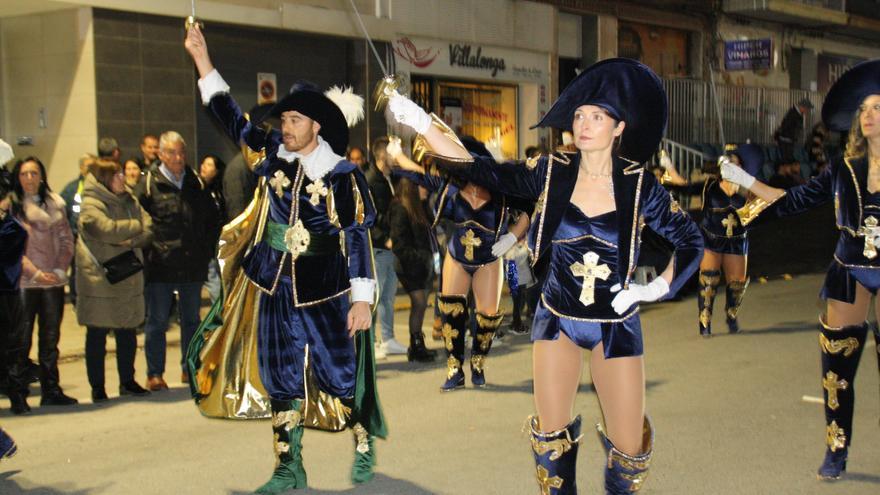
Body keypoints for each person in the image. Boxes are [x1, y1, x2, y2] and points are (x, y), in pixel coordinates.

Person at [389, 58, 703, 493]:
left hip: (616, 326)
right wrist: (423, 123)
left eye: (597, 116)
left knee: (629, 454)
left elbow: (691, 241)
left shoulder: (640, 185)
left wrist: (654, 288)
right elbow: (480, 169)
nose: (584, 124)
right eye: (579, 115)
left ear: (619, 128)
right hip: (557, 318)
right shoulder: (551, 172)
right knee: (551, 444)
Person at [185, 23, 385, 493]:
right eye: (284, 120)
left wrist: (361, 299)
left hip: (326, 289)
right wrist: (201, 59)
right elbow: (228, 114)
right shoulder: (271, 153)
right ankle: (288, 466)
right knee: (281, 376)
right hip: (273, 284)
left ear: (316, 125)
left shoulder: (342, 174)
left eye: (294, 121)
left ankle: (362, 441)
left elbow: (356, 236)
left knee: (340, 373)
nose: (285, 128)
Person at [720, 59, 880, 481]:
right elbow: (786, 199)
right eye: (863, 109)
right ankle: (836, 447)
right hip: (849, 271)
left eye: (877, 107)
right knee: (836, 371)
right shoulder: (843, 170)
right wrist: (744, 180)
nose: (867, 116)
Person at [389, 136, 530, 391]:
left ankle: (477, 364)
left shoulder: (502, 192)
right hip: (457, 256)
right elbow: (418, 174)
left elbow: (529, 211)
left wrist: (511, 237)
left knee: (487, 317)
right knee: (451, 312)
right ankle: (454, 369)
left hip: (489, 259)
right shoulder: (450, 188)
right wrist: (397, 154)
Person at [134, 131, 218, 391]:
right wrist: (153, 249)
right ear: (160, 154)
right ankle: (155, 373)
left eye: (181, 152)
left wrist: (205, 251)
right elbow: (140, 222)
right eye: (172, 153)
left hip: (192, 263)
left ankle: (189, 367)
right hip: (161, 264)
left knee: (192, 320)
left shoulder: (196, 182)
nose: (178, 158)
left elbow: (210, 220)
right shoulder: (148, 184)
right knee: (157, 321)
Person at [661, 143, 763, 336]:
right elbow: (684, 186)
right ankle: (705, 320)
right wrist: (668, 166)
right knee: (709, 279)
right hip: (711, 239)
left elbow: (758, 213)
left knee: (736, 284)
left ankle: (731, 315)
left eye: (735, 164)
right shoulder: (709, 186)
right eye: (727, 164)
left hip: (736, 241)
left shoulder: (748, 190)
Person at [76, 159, 152, 402]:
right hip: (100, 280)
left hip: (127, 275)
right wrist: (135, 227)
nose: (123, 177)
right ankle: (98, 387)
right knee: (97, 333)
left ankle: (127, 381)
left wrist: (129, 240)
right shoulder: (91, 203)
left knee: (127, 331)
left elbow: (149, 228)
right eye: (117, 174)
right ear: (104, 179)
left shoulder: (130, 199)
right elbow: (105, 229)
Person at [11, 156, 78, 407]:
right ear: (18, 178)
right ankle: (18, 392)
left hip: (53, 282)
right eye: (25, 174)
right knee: (22, 339)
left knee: (50, 339)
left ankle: (51, 389)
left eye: (34, 173)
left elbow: (66, 240)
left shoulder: (55, 205)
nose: (30, 178)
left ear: (42, 176)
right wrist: (36, 273)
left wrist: (60, 269)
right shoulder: (12, 207)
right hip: (25, 283)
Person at [388, 173, 438, 362]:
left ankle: (417, 344)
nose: (426, 190)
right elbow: (399, 243)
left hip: (423, 263)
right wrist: (420, 259)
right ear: (413, 188)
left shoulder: (420, 207)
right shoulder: (401, 208)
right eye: (423, 186)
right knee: (419, 303)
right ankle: (415, 346)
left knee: (422, 302)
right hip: (409, 265)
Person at [366, 137, 405, 356]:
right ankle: (370, 343)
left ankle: (388, 338)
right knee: (373, 297)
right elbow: (368, 217)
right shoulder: (371, 180)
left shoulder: (389, 178)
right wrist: (385, 237)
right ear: (383, 156)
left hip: (389, 247)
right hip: (378, 248)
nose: (396, 158)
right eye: (393, 154)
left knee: (388, 296)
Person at [0, 154, 31, 415]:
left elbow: (14, 242)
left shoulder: (12, 226)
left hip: (7, 291)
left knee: (14, 346)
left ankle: (17, 394)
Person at [199, 154, 227, 303]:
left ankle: (220, 312)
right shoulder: (197, 188)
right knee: (212, 276)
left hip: (216, 240)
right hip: (204, 242)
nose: (204, 166)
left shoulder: (218, 191)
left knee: (215, 276)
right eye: (203, 163)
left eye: (209, 165)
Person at [774, 98, 813, 164]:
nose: (808, 111)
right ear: (803, 107)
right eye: (807, 109)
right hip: (786, 141)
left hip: (789, 141)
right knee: (787, 160)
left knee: (789, 160)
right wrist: (777, 136)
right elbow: (784, 125)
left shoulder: (797, 115)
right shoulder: (793, 114)